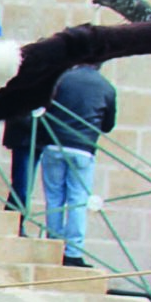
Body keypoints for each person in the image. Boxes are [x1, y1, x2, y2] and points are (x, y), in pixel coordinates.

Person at [38, 63, 115, 267]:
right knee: (78, 200)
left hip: (54, 144)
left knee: (54, 198)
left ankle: (52, 246)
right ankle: (72, 252)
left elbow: (45, 107)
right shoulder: (106, 87)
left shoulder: (61, 78)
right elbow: (108, 125)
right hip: (83, 147)